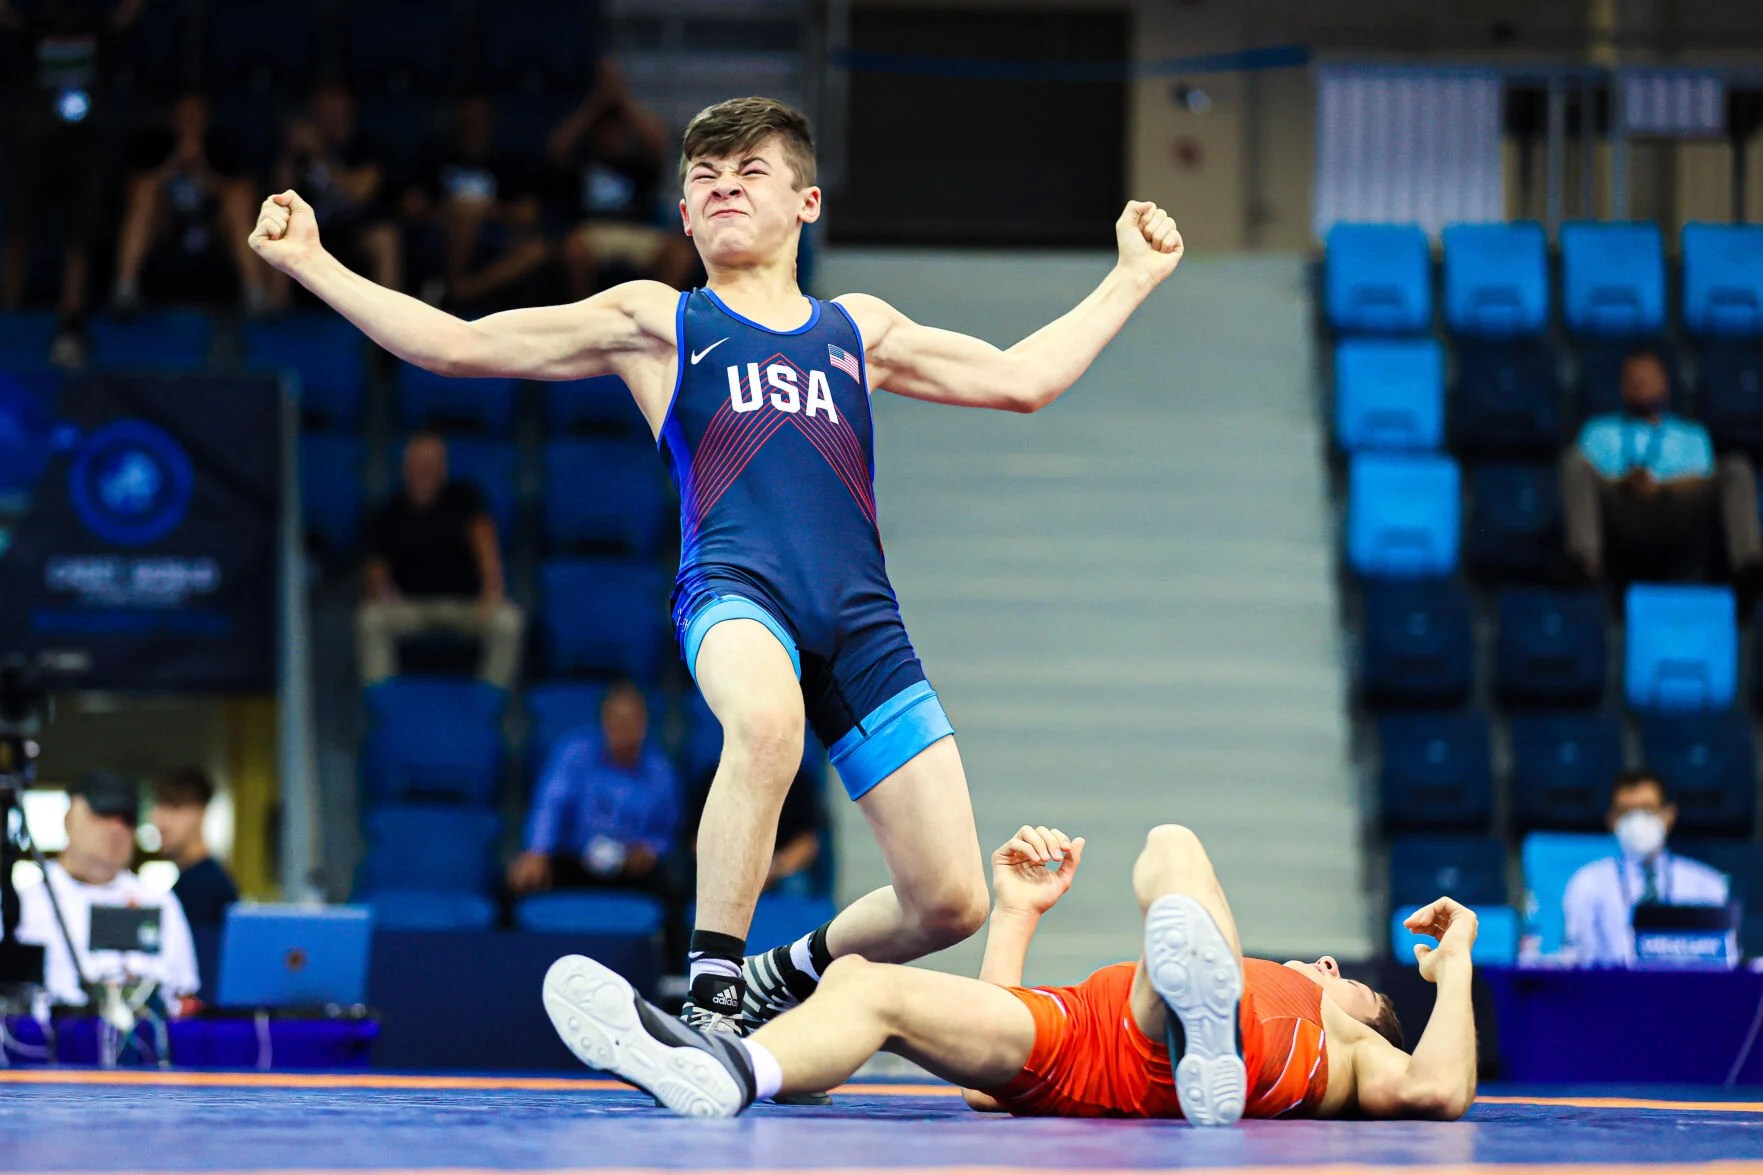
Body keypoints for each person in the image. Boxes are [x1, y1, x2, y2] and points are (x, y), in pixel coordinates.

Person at [248, 95, 1185, 1036]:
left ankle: (785, 970)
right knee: (767, 722)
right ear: (684, 218)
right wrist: (313, 263)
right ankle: (710, 997)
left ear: (807, 204)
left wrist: (1132, 278)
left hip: (862, 622)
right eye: (704, 178)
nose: (724, 188)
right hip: (735, 592)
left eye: (750, 174)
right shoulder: (660, 319)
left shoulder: (859, 329)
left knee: (948, 900)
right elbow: (456, 345)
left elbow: (1022, 381)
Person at [542, 822, 1477, 1124]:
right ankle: (732, 1069)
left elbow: (1438, 1085)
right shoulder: (1261, 978)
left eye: (1359, 981)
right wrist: (1018, 912)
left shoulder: (1344, 1038)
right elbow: (993, 1092)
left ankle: (1202, 1029)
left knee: (1173, 842)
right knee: (866, 982)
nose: (1330, 965)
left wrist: (1457, 962)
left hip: (1178, 1040)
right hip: (1071, 1045)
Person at [0, 0, 144, 365]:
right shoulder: (33, 20)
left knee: (80, 236)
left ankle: (71, 320)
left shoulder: (97, 21)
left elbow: (125, 18)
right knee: (18, 230)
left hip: (87, 142)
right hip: (32, 136)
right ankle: (9, 317)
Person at [1563, 348, 1763, 590]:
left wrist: (1660, 486)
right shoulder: (1598, 430)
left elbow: (1700, 477)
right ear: (1622, 387)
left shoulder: (1691, 434)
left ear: (1665, 385)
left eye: (1647, 378)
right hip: (1619, 505)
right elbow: (1587, 481)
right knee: (1573, 462)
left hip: (1677, 507)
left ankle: (1748, 566)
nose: (1640, 384)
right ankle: (1584, 565)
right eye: (1633, 380)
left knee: (1736, 467)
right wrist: (1626, 482)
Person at [15, 771, 200, 1009]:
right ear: (70, 818)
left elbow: (184, 997)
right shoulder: (25, 902)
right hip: (50, 1041)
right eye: (103, 814)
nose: (116, 829)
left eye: (127, 820)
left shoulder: (160, 902)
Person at [357, 431, 523, 689]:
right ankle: (383, 701)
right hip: (411, 607)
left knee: (508, 622)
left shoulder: (464, 497)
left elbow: (484, 537)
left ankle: (491, 701)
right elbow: (376, 564)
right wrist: (381, 591)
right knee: (370, 618)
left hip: (465, 605)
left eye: (432, 464)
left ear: (443, 468)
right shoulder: (389, 510)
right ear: (406, 468)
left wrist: (492, 588)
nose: (425, 470)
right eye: (419, 464)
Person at [508, 682, 680, 900]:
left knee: (671, 893)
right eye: (617, 721)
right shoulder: (574, 753)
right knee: (519, 883)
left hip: (629, 866)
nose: (623, 730)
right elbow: (551, 804)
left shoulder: (660, 772)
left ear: (643, 725)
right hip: (575, 858)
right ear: (604, 722)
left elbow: (665, 828)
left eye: (630, 722)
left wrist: (650, 850)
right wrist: (538, 851)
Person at [547, 63, 697, 298]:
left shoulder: (640, 162)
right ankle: (585, 316)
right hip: (593, 231)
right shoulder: (584, 159)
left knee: (680, 254)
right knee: (574, 248)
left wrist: (621, 97)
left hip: (639, 231)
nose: (612, 137)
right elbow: (556, 148)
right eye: (606, 132)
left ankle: (660, 317)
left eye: (618, 132)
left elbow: (660, 141)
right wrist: (595, 103)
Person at [113, 93, 266, 314]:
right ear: (172, 119)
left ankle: (255, 292)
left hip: (213, 228)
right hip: (165, 226)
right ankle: (124, 288)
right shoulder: (153, 145)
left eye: (196, 116)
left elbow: (247, 192)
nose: (190, 122)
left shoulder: (222, 147)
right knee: (144, 192)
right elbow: (134, 190)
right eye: (184, 116)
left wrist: (204, 171)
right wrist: (174, 164)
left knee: (238, 199)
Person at [1562, 769, 1730, 967]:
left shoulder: (1707, 884)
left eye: (1648, 809)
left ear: (1669, 815)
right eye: (1626, 812)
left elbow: (1723, 961)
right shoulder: (1587, 883)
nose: (1637, 821)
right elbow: (1578, 962)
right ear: (1611, 820)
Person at [403, 94, 552, 313]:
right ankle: (456, 283)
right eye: (468, 119)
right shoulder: (437, 155)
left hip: (496, 234)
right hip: (443, 232)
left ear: (492, 122)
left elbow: (529, 213)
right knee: (465, 212)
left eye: (480, 119)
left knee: (538, 249)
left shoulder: (507, 160)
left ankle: (462, 290)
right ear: (458, 121)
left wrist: (489, 212)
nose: (474, 126)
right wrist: (451, 210)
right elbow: (410, 206)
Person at [267, 82, 401, 306]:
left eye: (335, 106)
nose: (329, 113)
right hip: (308, 231)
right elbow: (278, 192)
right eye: (322, 106)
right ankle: (274, 321)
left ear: (349, 108)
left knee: (385, 238)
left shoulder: (368, 146)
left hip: (354, 231)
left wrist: (321, 156)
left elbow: (360, 191)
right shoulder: (299, 152)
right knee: (274, 230)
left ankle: (389, 321)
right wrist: (290, 155)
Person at [148, 766, 238, 1001]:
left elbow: (202, 984)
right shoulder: (189, 883)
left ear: (199, 813)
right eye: (158, 806)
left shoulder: (206, 887)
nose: (157, 819)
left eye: (172, 807)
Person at [689, 760, 822, 896]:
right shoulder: (716, 779)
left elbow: (809, 843)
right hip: (727, 869)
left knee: (797, 884)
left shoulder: (797, 781)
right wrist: (732, 869)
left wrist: (774, 868)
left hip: (779, 871)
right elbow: (697, 841)